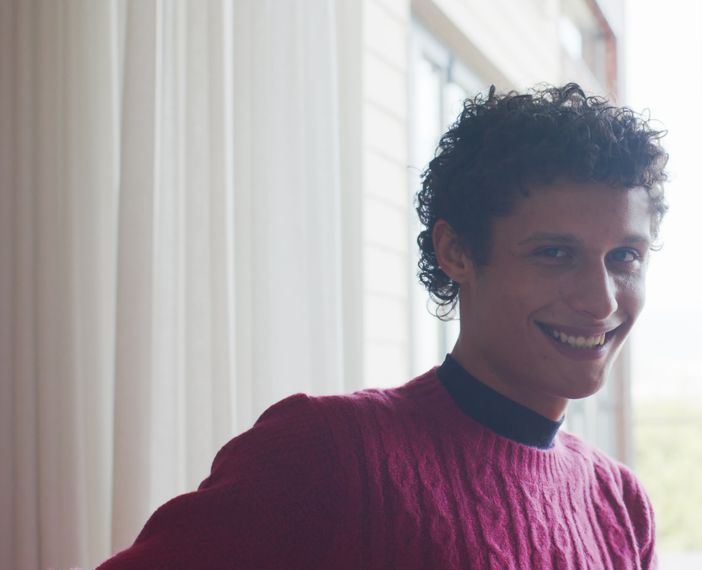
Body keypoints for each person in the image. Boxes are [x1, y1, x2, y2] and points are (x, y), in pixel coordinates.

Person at [99, 83, 668, 569]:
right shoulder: (325, 451)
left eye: (624, 257)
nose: (599, 301)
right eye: (553, 253)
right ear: (457, 251)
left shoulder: (619, 503)